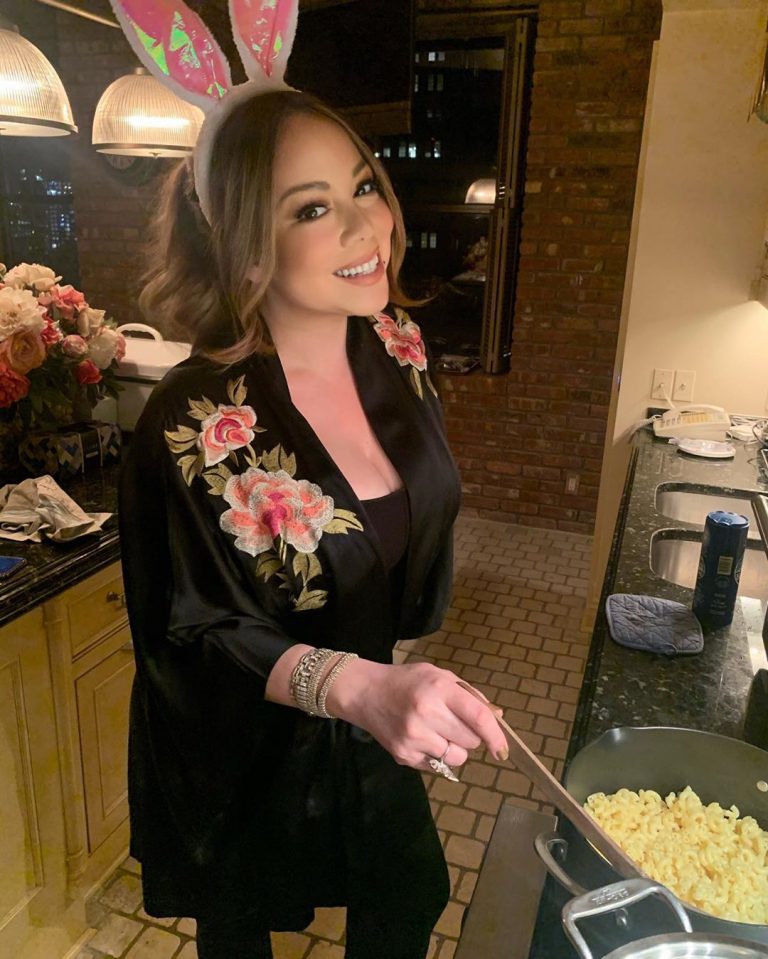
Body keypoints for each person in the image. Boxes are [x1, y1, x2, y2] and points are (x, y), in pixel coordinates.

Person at [118, 88, 509, 959]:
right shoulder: (189, 422)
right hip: (240, 740)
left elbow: (408, 515)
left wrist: (382, 674)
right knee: (240, 921)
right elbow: (185, 633)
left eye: (363, 186)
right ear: (241, 241)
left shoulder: (396, 345)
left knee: (408, 892)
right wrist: (356, 685)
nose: (365, 227)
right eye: (311, 208)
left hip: (369, 706)